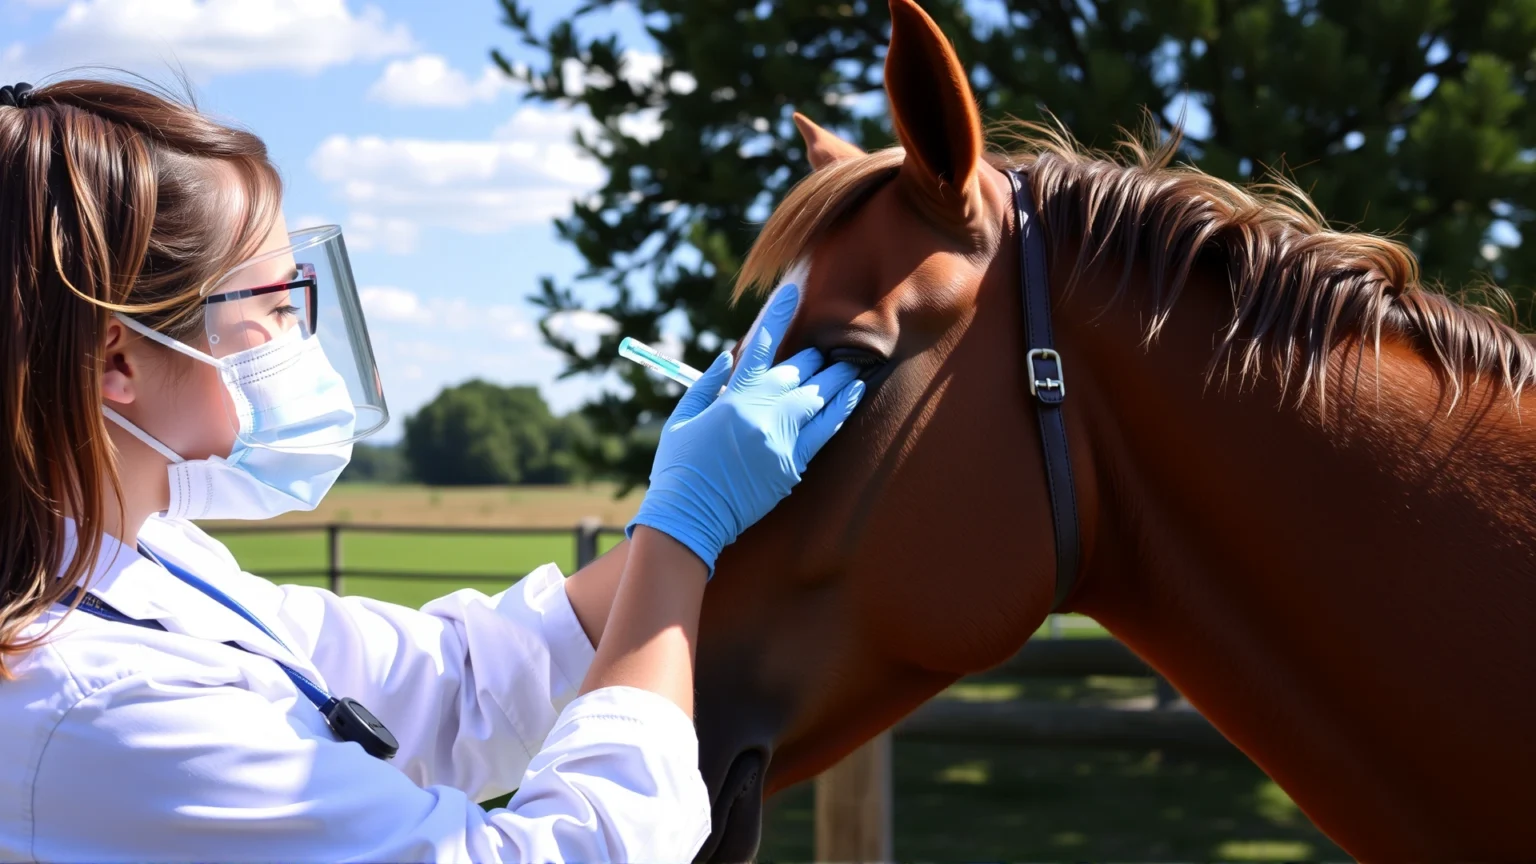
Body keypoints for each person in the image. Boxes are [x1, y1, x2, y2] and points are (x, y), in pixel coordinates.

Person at [0, 78, 865, 863]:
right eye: (270, 306)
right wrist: (686, 526)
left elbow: (452, 679)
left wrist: (691, 510)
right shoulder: (100, 702)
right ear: (118, 363)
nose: (299, 337)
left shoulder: (148, 561)